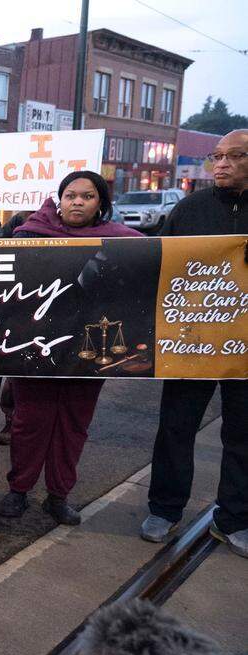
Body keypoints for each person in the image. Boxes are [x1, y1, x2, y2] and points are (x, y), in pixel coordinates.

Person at [0, 171, 142, 526]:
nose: (77, 202)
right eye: (70, 195)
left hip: (89, 348)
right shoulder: (29, 235)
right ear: (59, 199)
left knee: (73, 423)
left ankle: (58, 496)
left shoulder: (123, 241)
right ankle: (19, 491)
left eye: (87, 196)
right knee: (30, 422)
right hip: (37, 346)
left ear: (101, 204)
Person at [141, 129, 248, 557]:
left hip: (246, 350)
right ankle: (164, 509)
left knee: (242, 435)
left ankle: (234, 518)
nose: (220, 164)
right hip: (194, 344)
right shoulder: (189, 209)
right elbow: (157, 263)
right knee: (176, 427)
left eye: (233, 156)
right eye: (215, 156)